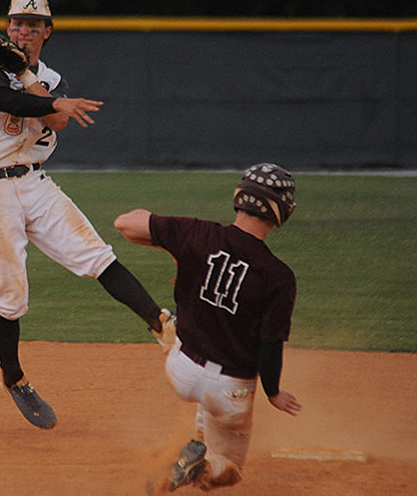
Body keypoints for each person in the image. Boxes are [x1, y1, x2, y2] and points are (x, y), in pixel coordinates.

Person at [0, 0, 173, 429]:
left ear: (47, 32)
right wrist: (25, 76)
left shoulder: (52, 80)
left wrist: (38, 83)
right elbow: (4, 100)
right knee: (12, 297)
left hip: (34, 184)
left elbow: (54, 118)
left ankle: (160, 322)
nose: (22, 31)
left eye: (33, 25)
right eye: (16, 23)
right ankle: (14, 378)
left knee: (95, 254)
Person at [114, 163, 302, 492]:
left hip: (181, 370)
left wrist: (171, 244)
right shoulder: (279, 276)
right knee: (228, 469)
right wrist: (273, 392)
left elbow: (126, 224)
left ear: (240, 196)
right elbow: (270, 346)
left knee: (181, 321)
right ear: (280, 210)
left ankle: (193, 445)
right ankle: (200, 466)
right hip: (230, 390)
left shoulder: (197, 234)